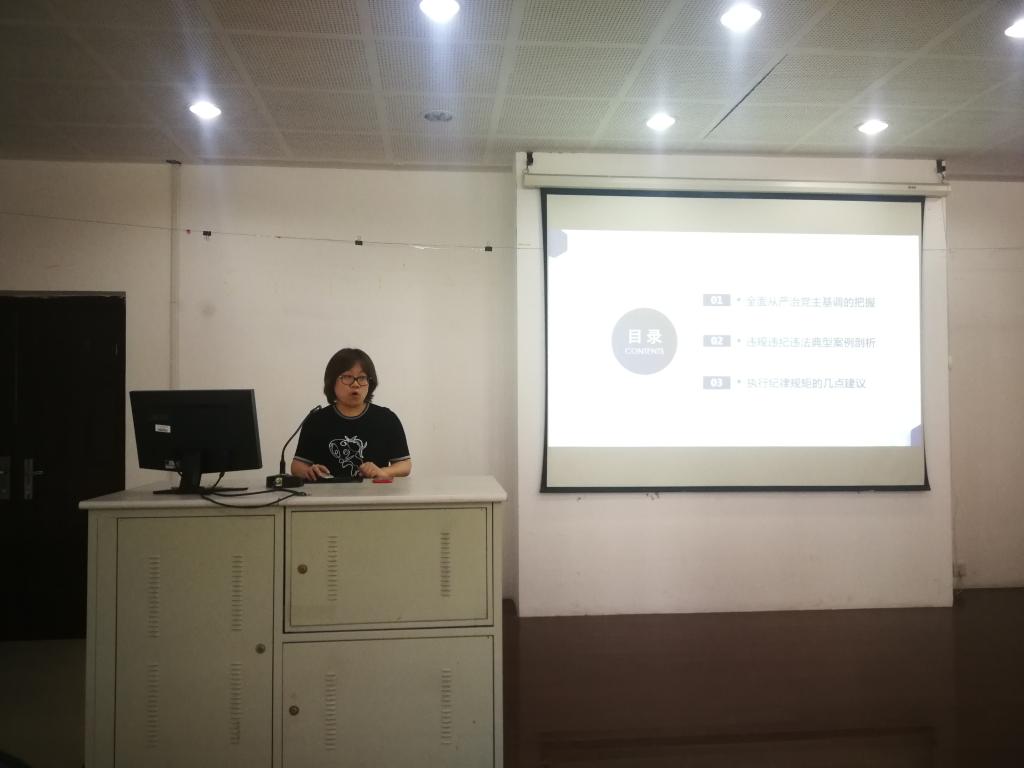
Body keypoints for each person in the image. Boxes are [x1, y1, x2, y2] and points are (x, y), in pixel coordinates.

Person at [291, 348, 411, 481]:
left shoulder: (387, 419)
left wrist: (383, 471)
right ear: (332, 382)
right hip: (326, 493)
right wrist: (308, 471)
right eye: (347, 377)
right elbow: (297, 466)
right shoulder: (316, 420)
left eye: (362, 378)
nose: (355, 384)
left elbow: (405, 465)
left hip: (374, 492)